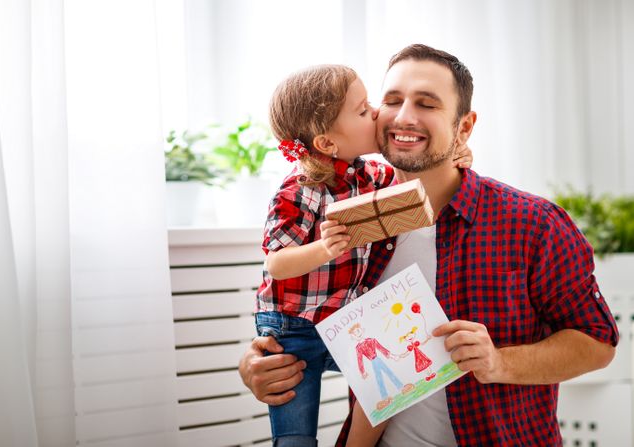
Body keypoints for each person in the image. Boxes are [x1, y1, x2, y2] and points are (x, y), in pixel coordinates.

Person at [240, 44, 619, 447]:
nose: (404, 117)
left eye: (427, 104)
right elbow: (302, 308)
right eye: (391, 101)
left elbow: (596, 342)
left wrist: (499, 362)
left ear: (464, 127)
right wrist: (263, 362)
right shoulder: (350, 219)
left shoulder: (533, 223)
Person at [254, 64, 473, 446]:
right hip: (294, 328)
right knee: (293, 436)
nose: (374, 113)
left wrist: (458, 152)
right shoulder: (298, 190)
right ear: (326, 143)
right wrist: (324, 248)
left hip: (341, 322)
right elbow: (276, 262)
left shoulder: (368, 175)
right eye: (362, 110)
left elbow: (417, 179)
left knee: (388, 382)